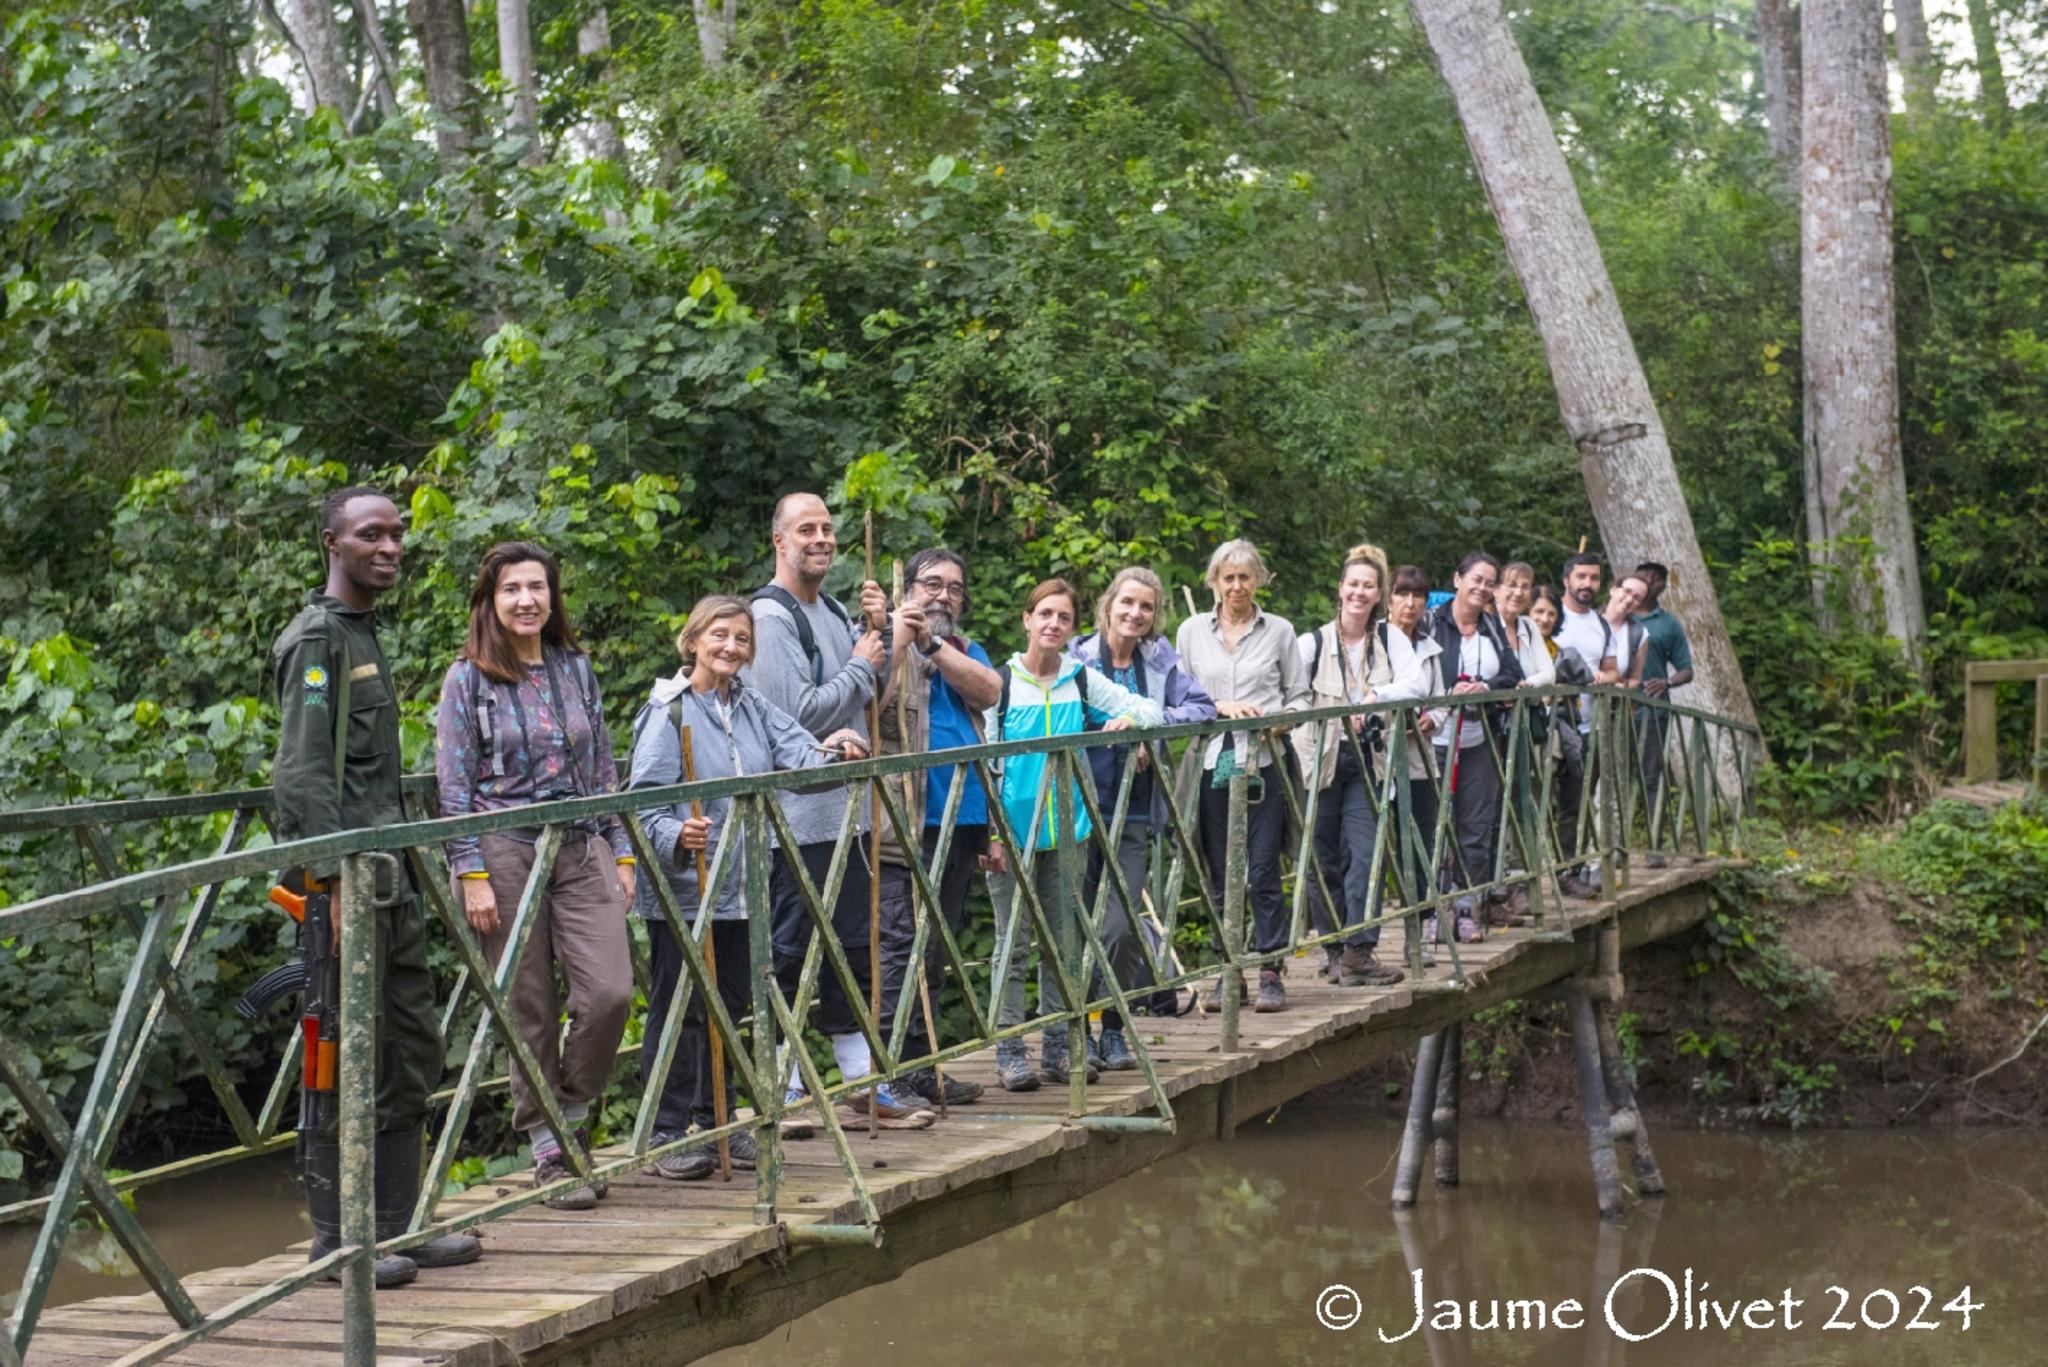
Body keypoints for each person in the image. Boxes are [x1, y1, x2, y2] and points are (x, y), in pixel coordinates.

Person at [270, 487, 480, 1288]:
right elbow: (302, 775)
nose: (389, 546)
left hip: (390, 891)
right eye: (371, 535)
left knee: (409, 1048)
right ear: (332, 542)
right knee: (337, 1057)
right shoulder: (317, 641)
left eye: (396, 534)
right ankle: (336, 1242)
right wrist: (327, 887)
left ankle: (397, 1225)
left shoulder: (362, 634)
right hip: (342, 893)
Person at [627, 596, 868, 1179]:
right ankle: (665, 1134)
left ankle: (719, 1122)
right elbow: (641, 802)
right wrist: (674, 832)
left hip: (742, 884)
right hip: (689, 887)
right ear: (693, 640)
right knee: (679, 1008)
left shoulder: (750, 704)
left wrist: (834, 748)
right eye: (720, 635)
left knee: (731, 1004)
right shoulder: (669, 712)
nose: (731, 647)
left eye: (741, 639)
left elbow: (796, 755)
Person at [435, 542, 636, 1212]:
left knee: (609, 991)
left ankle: (571, 1107)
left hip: (580, 844)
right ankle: (549, 1144)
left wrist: (622, 849)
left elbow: (604, 764)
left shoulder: (575, 667)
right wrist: (469, 870)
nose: (527, 599)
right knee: (527, 1004)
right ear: (489, 599)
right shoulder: (468, 678)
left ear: (553, 596)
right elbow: (454, 786)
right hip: (504, 846)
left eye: (538, 587)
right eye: (513, 588)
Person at [741, 493, 923, 1123]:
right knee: (792, 951)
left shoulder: (835, 607)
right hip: (798, 818)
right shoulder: (770, 617)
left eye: (827, 528)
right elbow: (792, 716)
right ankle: (784, 1090)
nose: (820, 538)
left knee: (852, 947)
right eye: (805, 529)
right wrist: (858, 661)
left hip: (849, 814)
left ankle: (860, 1082)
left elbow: (866, 698)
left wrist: (880, 636)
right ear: (779, 541)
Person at [984, 579, 1163, 1090]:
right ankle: (1010, 1048)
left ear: (1071, 627)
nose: (1053, 625)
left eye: (1063, 618)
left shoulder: (1079, 680)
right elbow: (986, 766)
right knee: (1011, 944)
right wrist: (993, 835)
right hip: (1014, 835)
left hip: (1069, 831)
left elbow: (1151, 709)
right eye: (1044, 615)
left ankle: (1059, 1047)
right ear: (1027, 620)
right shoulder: (1002, 683)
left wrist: (1126, 717)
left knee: (1063, 944)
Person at [1069, 566, 1218, 1059]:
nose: (1136, 613)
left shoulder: (1158, 661)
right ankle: (1080, 1034)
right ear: (1109, 605)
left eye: (1146, 607)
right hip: (1077, 810)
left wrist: (1147, 728)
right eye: (1128, 603)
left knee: (1119, 924)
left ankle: (1111, 1024)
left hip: (1132, 814)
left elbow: (1201, 708)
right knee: (1076, 925)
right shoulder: (1077, 656)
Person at [873, 547, 1003, 1109]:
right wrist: (901, 643)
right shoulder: (882, 642)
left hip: (964, 814)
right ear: (907, 589)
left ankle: (922, 1066)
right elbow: (867, 703)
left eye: (953, 587)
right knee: (899, 946)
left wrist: (932, 645)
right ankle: (884, 1073)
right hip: (905, 818)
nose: (943, 595)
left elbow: (990, 690)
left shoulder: (963, 649)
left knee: (937, 946)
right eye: (931, 584)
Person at [1175, 539, 1312, 1013]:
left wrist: (1277, 721)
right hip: (1212, 765)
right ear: (1214, 581)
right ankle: (1227, 971)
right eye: (1228, 577)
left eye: (1245, 577)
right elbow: (1178, 699)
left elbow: (1301, 697)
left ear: (1259, 581)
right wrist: (1216, 708)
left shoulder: (1279, 631)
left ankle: (1271, 968)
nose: (1236, 586)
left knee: (1262, 870)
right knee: (1220, 876)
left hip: (1266, 763)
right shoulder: (1192, 631)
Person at [1293, 545, 1424, 987]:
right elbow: (1291, 696)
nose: (1360, 592)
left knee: (1366, 855)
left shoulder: (1391, 639)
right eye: (1353, 584)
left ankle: (1359, 952)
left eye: (1369, 585)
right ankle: (1333, 948)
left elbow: (1416, 683)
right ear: (1341, 588)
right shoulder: (1311, 643)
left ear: (1379, 593)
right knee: (1322, 858)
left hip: (1369, 759)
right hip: (1322, 758)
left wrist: (1375, 697)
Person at [1422, 553, 1524, 943]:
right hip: (1436, 740)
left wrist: (1486, 688)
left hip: (1479, 739)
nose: (1482, 588)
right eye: (1476, 579)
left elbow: (1513, 674)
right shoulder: (1433, 622)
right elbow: (1418, 671)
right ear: (1457, 578)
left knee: (1475, 826)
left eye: (1489, 582)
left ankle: (1466, 907)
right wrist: (1449, 691)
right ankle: (1431, 910)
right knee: (1434, 827)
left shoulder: (1493, 626)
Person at [1491, 561, 1556, 924]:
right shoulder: (1488, 626)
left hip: (1520, 727)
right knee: (1492, 804)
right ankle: (1494, 888)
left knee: (1520, 802)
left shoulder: (1529, 626)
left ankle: (1518, 886)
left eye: (1525, 586)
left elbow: (1549, 672)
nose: (1518, 592)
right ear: (1498, 589)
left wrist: (1527, 686)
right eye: (1512, 585)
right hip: (1492, 727)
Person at [1387, 566, 1446, 964]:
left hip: (1419, 760)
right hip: (1375, 761)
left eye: (1418, 596)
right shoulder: (1372, 641)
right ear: (1388, 599)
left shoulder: (1429, 648)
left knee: (1421, 844)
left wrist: (1432, 720)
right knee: (1370, 848)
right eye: (1403, 595)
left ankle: (1419, 934)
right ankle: (1350, 943)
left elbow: (1439, 699)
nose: (1410, 604)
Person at [1551, 553, 1616, 897]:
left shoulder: (1601, 624)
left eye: (1593, 578)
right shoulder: (1549, 613)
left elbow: (1612, 668)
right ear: (1567, 579)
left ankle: (1568, 871)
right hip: (1546, 725)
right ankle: (1518, 879)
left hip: (1587, 727)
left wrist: (1607, 676)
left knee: (1576, 804)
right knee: (1529, 802)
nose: (1587, 584)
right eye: (1581, 577)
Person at [1631, 562, 1694, 864]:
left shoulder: (1667, 624)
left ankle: (1656, 847)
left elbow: (1686, 670)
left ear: (1662, 587)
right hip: (1616, 708)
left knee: (1651, 777)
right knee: (1613, 778)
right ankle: (1611, 849)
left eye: (1657, 579)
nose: (1650, 582)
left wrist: (1667, 681)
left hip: (1652, 712)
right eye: (1644, 577)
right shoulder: (1617, 614)